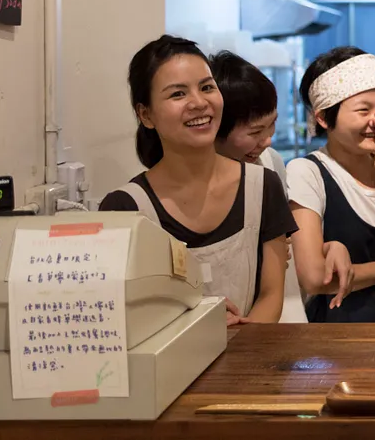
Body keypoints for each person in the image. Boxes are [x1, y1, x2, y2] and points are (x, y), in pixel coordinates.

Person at [100, 35, 296, 325]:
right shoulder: (125, 207)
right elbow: (120, 312)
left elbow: (271, 294)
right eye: (178, 94)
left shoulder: (262, 185)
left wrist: (245, 332)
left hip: (250, 358)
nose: (199, 102)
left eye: (206, 87)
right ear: (146, 115)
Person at [208, 50, 354, 324]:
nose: (267, 140)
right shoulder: (197, 181)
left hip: (281, 318)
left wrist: (328, 247)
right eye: (254, 132)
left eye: (272, 125)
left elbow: (281, 244)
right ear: (215, 126)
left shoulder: (269, 163)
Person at [285, 47, 375, 322]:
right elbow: (314, 278)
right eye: (363, 110)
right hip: (336, 336)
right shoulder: (308, 172)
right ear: (323, 118)